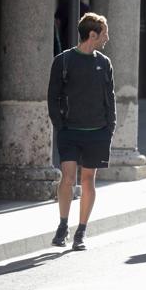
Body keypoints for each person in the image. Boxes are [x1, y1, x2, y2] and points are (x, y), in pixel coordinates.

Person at [47, 12, 116, 250]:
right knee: (67, 178)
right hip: (70, 131)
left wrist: (110, 127)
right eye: (104, 33)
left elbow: (111, 98)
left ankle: (81, 232)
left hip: (97, 132)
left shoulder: (104, 63)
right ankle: (63, 225)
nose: (107, 37)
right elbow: (52, 96)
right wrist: (60, 125)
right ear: (92, 35)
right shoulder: (63, 61)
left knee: (88, 181)